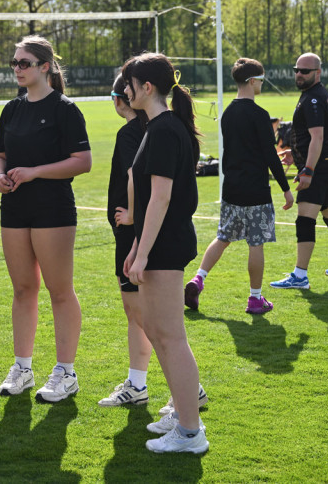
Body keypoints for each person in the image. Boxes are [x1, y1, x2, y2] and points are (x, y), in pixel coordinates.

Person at [0, 35, 91, 402]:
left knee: (59, 290)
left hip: (53, 210)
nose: (17, 69)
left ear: (45, 66)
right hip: (14, 209)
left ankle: (65, 372)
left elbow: (83, 162)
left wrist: (35, 172)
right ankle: (22, 368)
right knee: (22, 289)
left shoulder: (66, 110)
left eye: (24, 63)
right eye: (14, 63)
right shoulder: (11, 109)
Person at [121, 52, 208, 455]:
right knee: (157, 331)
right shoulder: (158, 127)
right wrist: (137, 246)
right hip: (157, 243)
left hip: (167, 245)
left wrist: (142, 254)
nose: (125, 90)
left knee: (170, 336)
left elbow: (161, 198)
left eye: (130, 84)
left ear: (147, 87)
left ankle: (190, 432)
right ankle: (183, 416)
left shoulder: (164, 130)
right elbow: (148, 203)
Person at [184, 58, 294, 315]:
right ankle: (255, 298)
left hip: (231, 188)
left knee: (223, 237)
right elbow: (268, 155)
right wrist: (286, 189)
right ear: (253, 81)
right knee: (256, 243)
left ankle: (198, 279)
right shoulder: (259, 114)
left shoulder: (228, 113)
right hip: (255, 190)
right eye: (262, 80)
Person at [271, 53, 328, 291]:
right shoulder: (313, 95)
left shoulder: (314, 98)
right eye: (296, 69)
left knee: (304, 220)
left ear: (318, 72)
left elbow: (317, 137)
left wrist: (307, 169)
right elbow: (313, 138)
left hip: (320, 169)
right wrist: (295, 156)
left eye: (305, 71)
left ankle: (300, 275)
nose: (299, 74)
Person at [97, 75, 152, 407]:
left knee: (142, 314)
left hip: (133, 234)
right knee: (143, 314)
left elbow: (135, 174)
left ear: (120, 99)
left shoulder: (131, 132)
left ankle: (187, 387)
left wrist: (132, 213)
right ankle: (137, 383)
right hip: (141, 232)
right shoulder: (153, 126)